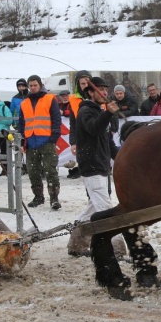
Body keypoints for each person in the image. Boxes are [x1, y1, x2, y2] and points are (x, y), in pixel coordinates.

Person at [67, 77, 120, 256]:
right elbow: (94, 129)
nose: (104, 93)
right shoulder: (86, 112)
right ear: (91, 92)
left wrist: (121, 158)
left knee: (93, 206)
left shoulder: (100, 111)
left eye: (106, 90)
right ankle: (117, 249)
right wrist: (107, 114)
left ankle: (76, 242)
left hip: (102, 165)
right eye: (101, 89)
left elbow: (108, 141)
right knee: (105, 209)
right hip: (92, 165)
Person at [18, 75, 62, 210]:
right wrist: (22, 141)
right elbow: (21, 123)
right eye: (30, 85)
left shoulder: (50, 99)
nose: (32, 87)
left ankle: (54, 198)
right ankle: (38, 197)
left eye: (35, 85)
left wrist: (54, 138)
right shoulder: (24, 103)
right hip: (31, 142)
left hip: (47, 141)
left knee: (50, 170)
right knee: (33, 171)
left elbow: (56, 119)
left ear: (40, 85)